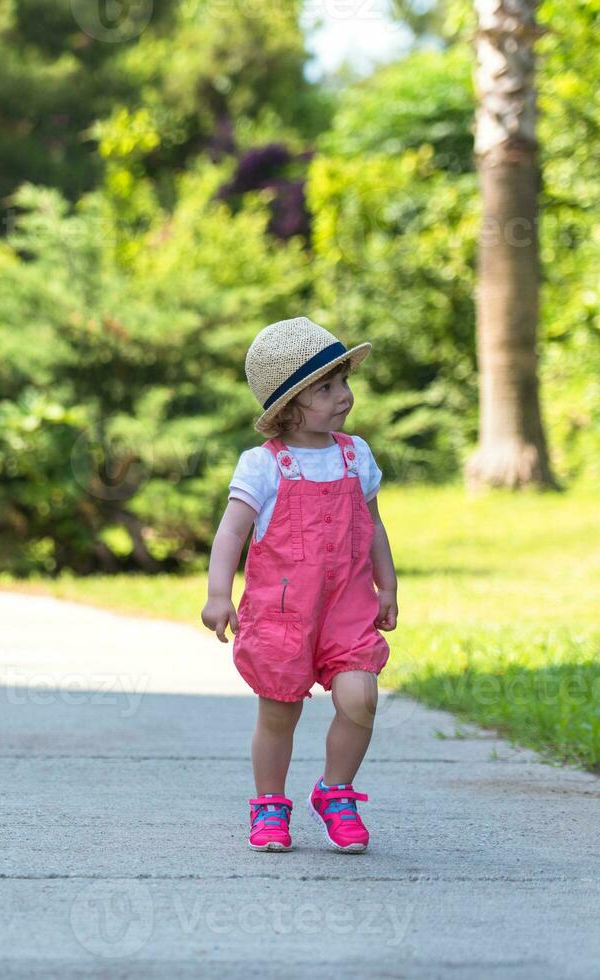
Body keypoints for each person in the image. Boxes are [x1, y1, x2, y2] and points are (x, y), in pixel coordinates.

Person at [200, 316, 399, 854]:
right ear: (288, 406)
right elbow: (231, 532)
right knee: (280, 711)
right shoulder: (262, 466)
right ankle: (269, 804)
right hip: (283, 614)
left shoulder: (356, 456)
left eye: (344, 382)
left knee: (360, 697)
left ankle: (336, 792)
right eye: (327, 387)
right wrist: (219, 594)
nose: (345, 396)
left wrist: (388, 587)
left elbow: (373, 524)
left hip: (348, 610)